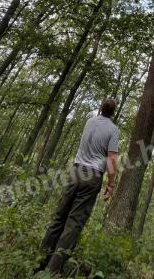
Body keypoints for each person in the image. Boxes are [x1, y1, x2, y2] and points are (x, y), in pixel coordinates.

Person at [37, 98, 119, 276]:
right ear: (113, 113)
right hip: (92, 177)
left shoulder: (89, 122)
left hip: (75, 172)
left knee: (59, 217)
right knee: (73, 224)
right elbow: (112, 160)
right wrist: (111, 184)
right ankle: (52, 271)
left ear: (100, 108)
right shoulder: (113, 130)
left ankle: (39, 262)